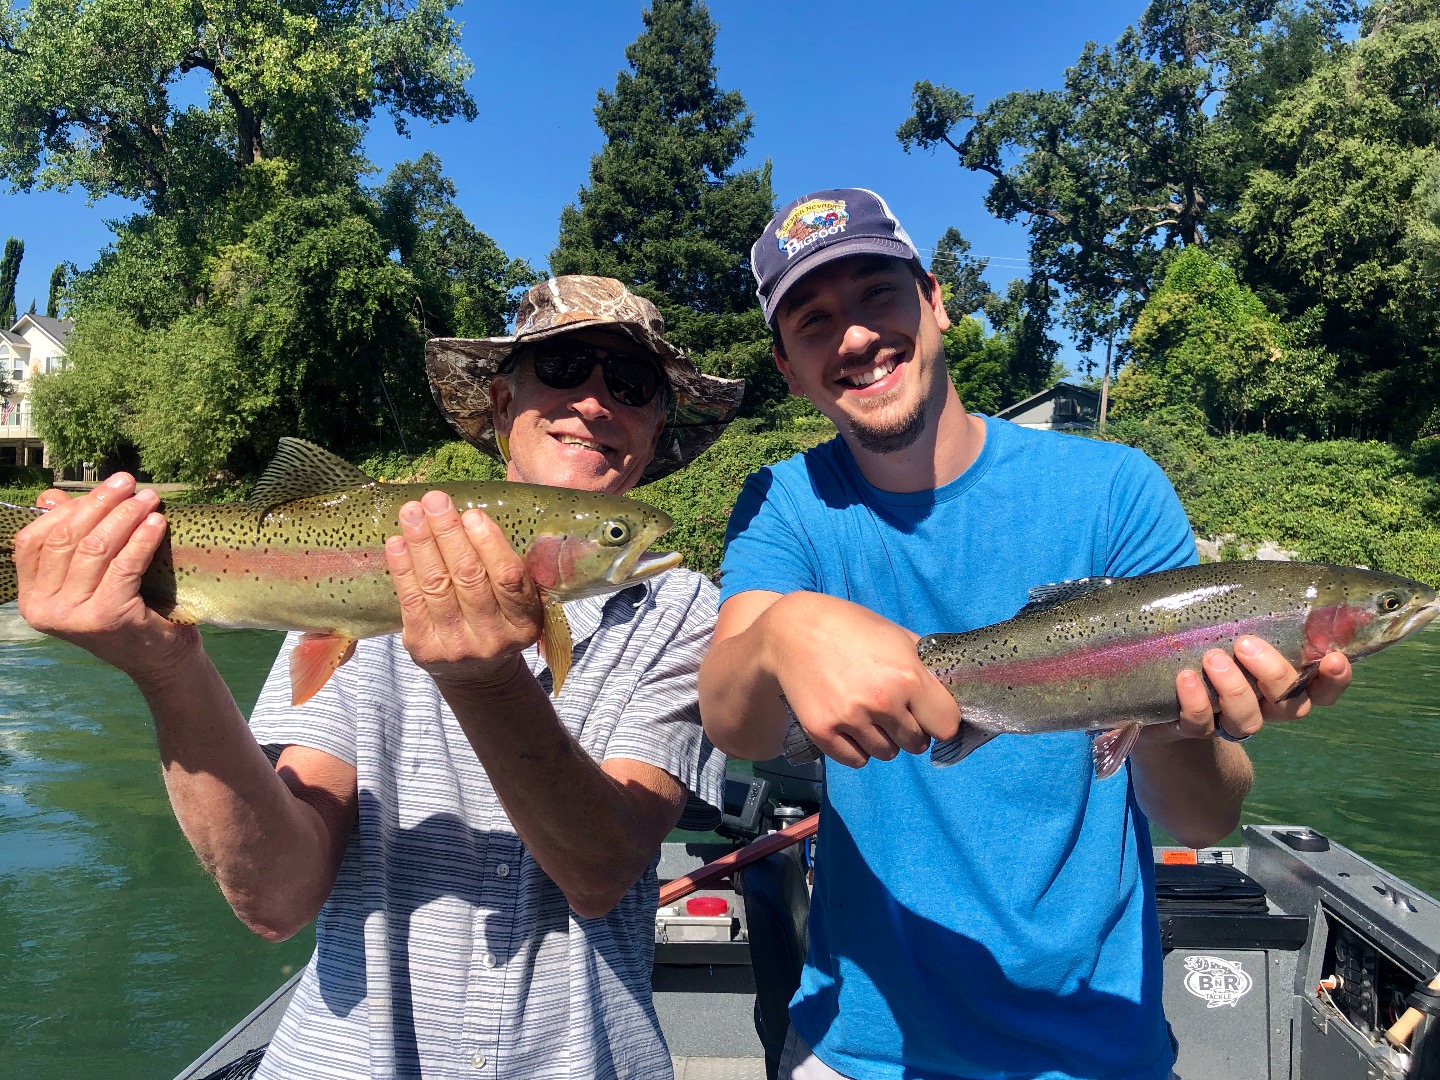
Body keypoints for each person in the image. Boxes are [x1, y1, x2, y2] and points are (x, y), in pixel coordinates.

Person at [14, 275, 745, 1079]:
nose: (597, 404)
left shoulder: (691, 615)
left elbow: (601, 874)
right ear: (502, 404)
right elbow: (277, 899)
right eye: (565, 369)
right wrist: (165, 670)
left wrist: (485, 680)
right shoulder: (402, 553)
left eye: (633, 385)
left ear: (657, 425)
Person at [697, 189, 1354, 1080]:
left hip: (1092, 1042)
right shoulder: (786, 505)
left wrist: (1173, 721)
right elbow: (734, 721)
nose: (854, 336)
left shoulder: (1116, 489)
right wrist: (784, 632)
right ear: (787, 366)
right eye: (814, 320)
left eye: (877, 296)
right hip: (863, 1042)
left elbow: (1203, 815)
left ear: (934, 299)